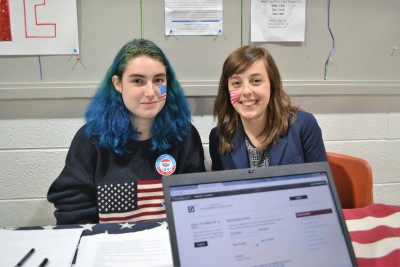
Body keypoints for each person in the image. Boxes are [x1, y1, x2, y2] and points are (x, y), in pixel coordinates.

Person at [48, 39, 205, 225]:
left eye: (159, 80)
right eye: (138, 81)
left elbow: (196, 202)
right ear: (118, 84)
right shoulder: (90, 138)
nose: (151, 92)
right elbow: (73, 207)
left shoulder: (185, 135)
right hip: (109, 245)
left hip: (166, 247)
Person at [209, 45, 326, 171]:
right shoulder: (219, 137)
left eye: (256, 81)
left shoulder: (303, 125)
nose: (246, 91)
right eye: (237, 83)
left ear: (272, 85)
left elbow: (320, 185)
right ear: (227, 90)